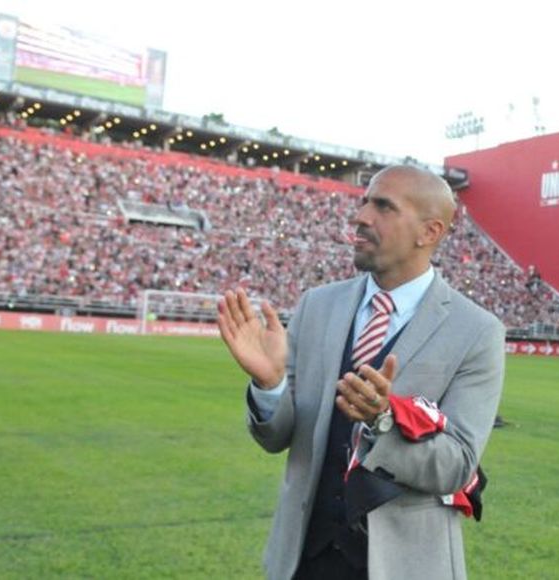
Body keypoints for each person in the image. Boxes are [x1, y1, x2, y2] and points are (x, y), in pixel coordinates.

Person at [216, 166, 506, 580]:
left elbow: (456, 466)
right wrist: (269, 384)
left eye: (384, 206)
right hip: (303, 558)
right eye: (365, 201)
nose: (362, 216)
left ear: (429, 232)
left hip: (402, 565)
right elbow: (278, 436)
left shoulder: (476, 331)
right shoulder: (316, 306)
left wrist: (381, 421)